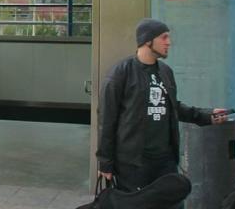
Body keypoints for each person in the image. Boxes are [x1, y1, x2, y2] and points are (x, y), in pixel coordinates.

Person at [96, 18, 228, 192]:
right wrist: (105, 162)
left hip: (165, 160)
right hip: (133, 163)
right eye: (164, 37)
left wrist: (206, 115)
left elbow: (173, 106)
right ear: (147, 40)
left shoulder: (165, 72)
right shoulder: (121, 74)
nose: (169, 43)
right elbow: (107, 119)